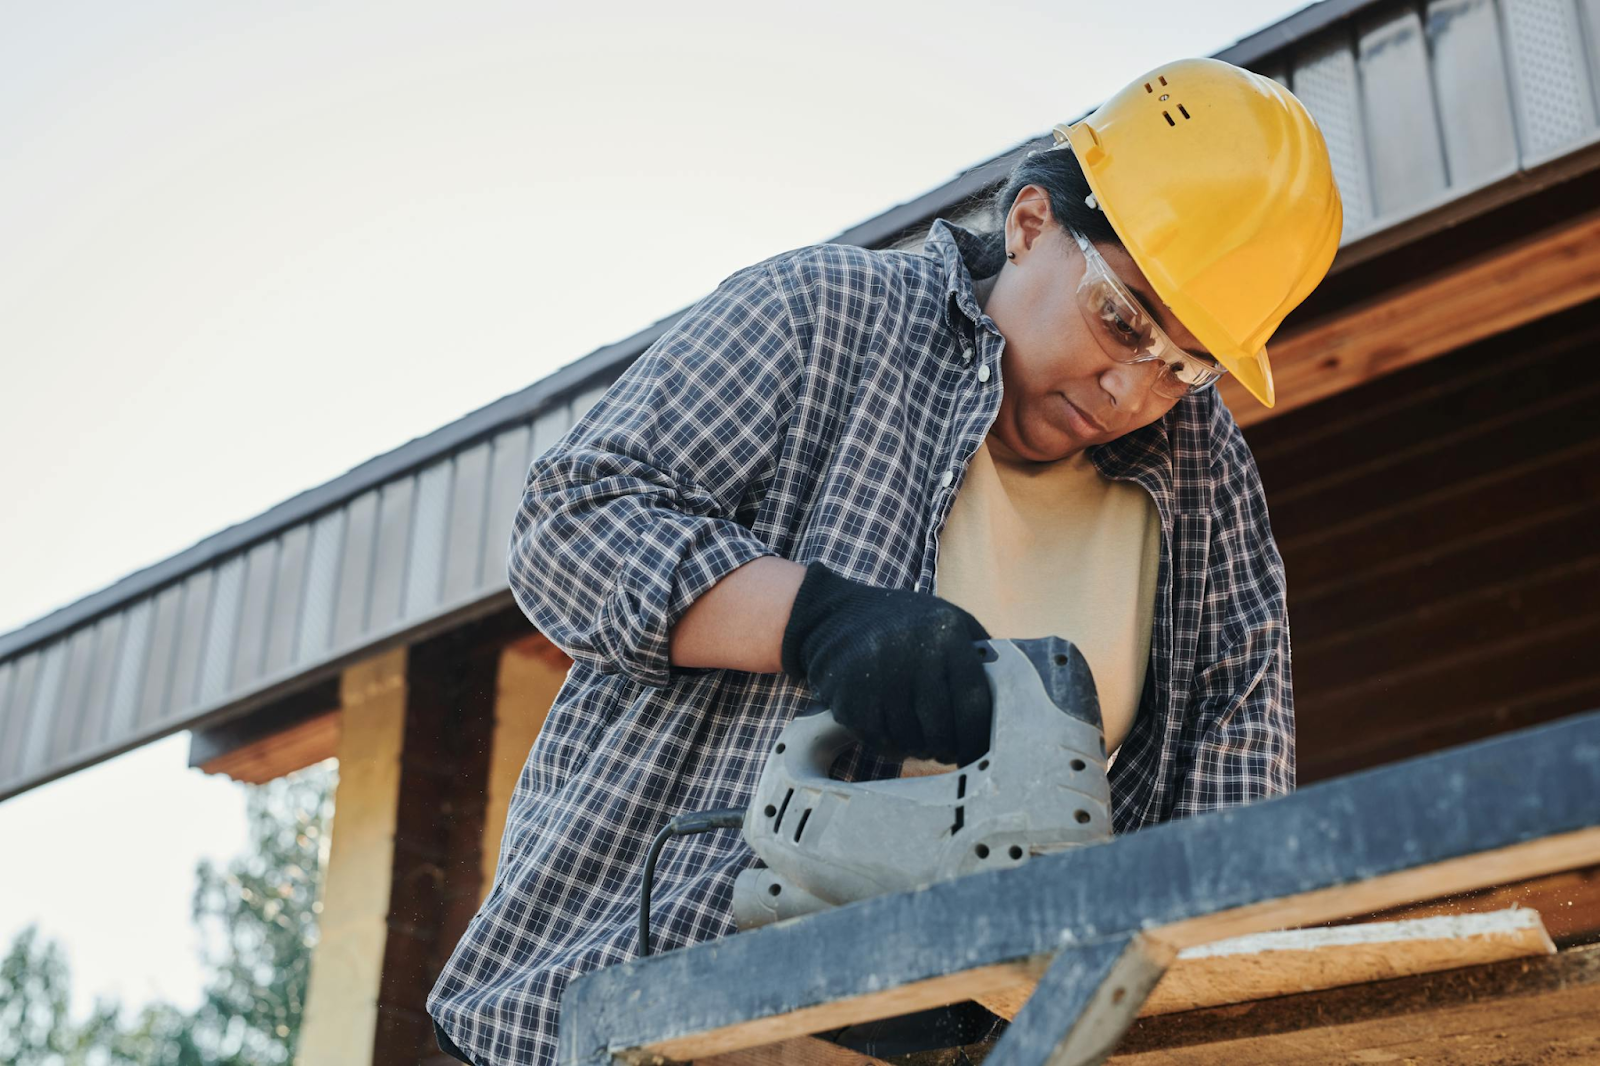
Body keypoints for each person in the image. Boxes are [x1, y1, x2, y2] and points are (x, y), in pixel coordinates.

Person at [429, 57, 1342, 1066]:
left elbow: (1235, 786)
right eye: (1119, 317)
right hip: (655, 1003)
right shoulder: (827, 316)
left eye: (1185, 364)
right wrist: (813, 621)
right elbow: (572, 518)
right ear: (1031, 223)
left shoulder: (1206, 480)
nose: (1131, 388)